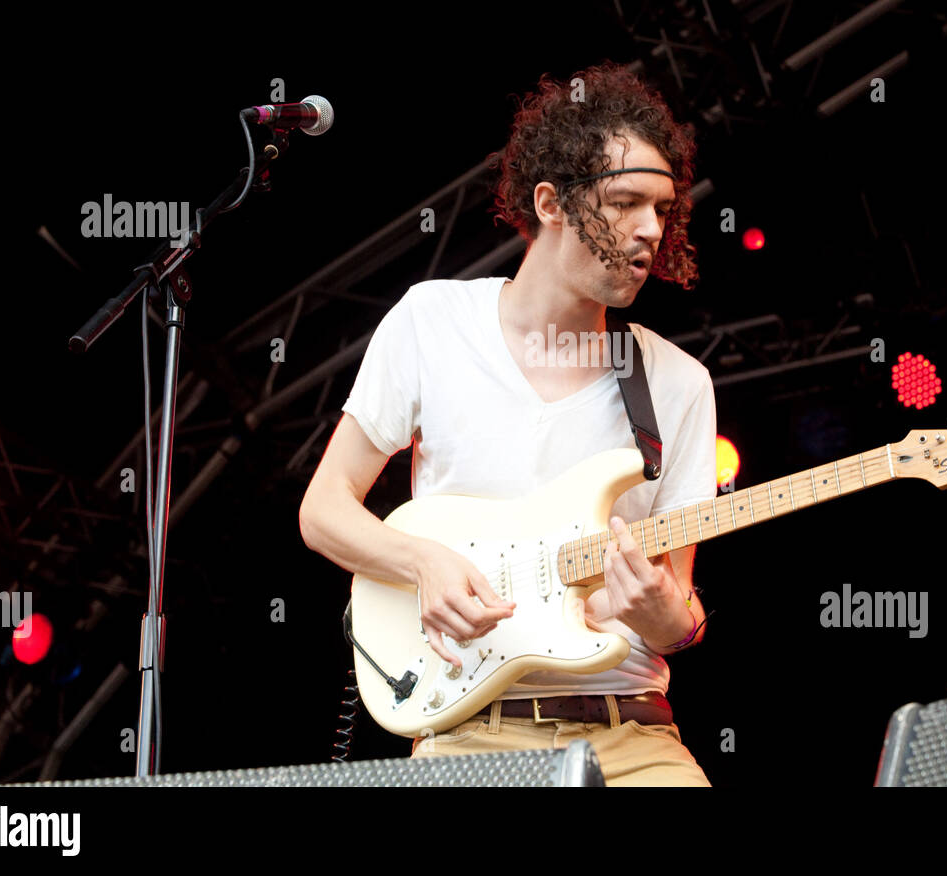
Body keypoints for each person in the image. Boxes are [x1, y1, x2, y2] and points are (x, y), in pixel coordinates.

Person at [299, 63, 718, 786]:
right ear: (551, 202)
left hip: (632, 734)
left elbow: (682, 615)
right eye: (626, 202)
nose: (651, 229)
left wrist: (662, 616)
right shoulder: (431, 322)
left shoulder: (678, 384)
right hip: (468, 736)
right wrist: (421, 563)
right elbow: (324, 509)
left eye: (662, 208)